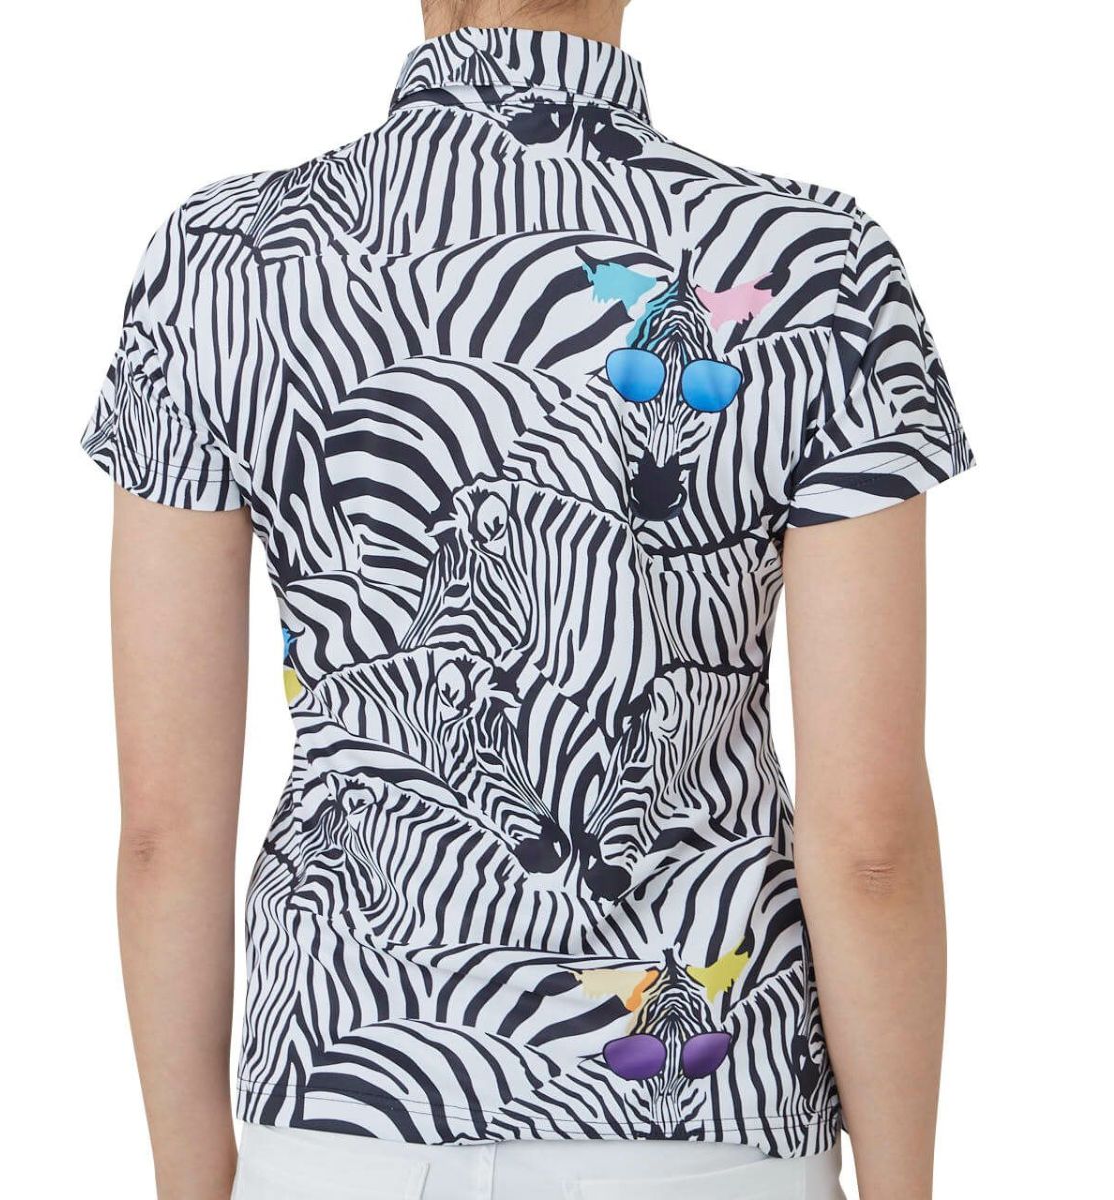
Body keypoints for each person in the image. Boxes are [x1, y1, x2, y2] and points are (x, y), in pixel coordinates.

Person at [81, 1, 974, 1196]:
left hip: (343, 1116)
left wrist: (204, 1180)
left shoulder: (218, 262)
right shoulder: (817, 265)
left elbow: (163, 831)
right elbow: (870, 845)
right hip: (710, 1120)